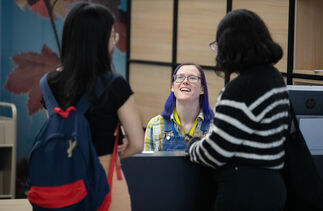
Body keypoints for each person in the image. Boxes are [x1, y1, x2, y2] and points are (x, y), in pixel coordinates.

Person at [42, 2, 144, 210]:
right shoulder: (116, 84)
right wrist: (114, 152)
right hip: (105, 181)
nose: (114, 43)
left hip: (62, 182)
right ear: (99, 41)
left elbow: (59, 129)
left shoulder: (47, 83)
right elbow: (137, 144)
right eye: (112, 36)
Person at [187, 9, 289, 210]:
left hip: (243, 189)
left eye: (218, 46)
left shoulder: (242, 88)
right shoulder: (273, 77)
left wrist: (192, 145)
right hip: (272, 187)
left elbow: (215, 152)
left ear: (230, 46)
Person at [144, 63, 213, 151]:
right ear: (172, 87)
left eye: (192, 78)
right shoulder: (155, 125)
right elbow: (147, 164)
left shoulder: (214, 127)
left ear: (202, 89)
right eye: (180, 77)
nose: (185, 82)